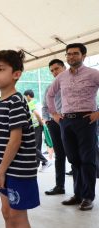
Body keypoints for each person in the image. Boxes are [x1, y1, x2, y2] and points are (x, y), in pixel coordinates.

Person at [0, 50, 40, 228]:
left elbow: (15, 140)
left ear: (16, 74)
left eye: (1, 69)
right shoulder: (2, 102)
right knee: (7, 213)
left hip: (16, 171)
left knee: (18, 216)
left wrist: (1, 171)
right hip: (5, 172)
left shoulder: (15, 101)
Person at [47, 43, 99, 211]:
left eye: (75, 54)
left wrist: (98, 112)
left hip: (87, 120)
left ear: (83, 56)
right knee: (74, 159)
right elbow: (50, 94)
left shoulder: (93, 74)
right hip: (66, 121)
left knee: (87, 160)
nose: (71, 57)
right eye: (68, 54)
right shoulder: (61, 77)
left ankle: (88, 197)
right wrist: (55, 114)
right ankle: (78, 195)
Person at [42, 59, 68, 195]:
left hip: (70, 122)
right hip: (54, 124)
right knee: (59, 155)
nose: (54, 72)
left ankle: (80, 191)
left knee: (76, 156)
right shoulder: (49, 87)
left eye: (56, 69)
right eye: (51, 70)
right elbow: (44, 106)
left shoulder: (71, 84)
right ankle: (60, 186)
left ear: (64, 67)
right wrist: (47, 121)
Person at [23, 90, 52, 171]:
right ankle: (38, 164)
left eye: (25, 96)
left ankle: (45, 161)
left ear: (28, 96)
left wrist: (41, 123)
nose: (25, 98)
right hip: (39, 125)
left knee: (32, 146)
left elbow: (37, 113)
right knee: (37, 146)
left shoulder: (31, 103)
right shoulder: (37, 102)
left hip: (36, 125)